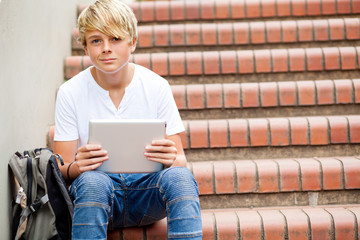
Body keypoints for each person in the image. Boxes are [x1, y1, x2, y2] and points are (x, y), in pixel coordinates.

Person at [52, 0, 202, 239]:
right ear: (85, 47)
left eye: (115, 39)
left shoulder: (156, 86)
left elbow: (181, 161)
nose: (106, 48)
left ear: (132, 42)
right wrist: (76, 167)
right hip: (98, 198)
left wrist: (170, 159)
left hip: (148, 196)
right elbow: (60, 170)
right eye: (96, 40)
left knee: (181, 177)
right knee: (92, 182)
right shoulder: (70, 92)